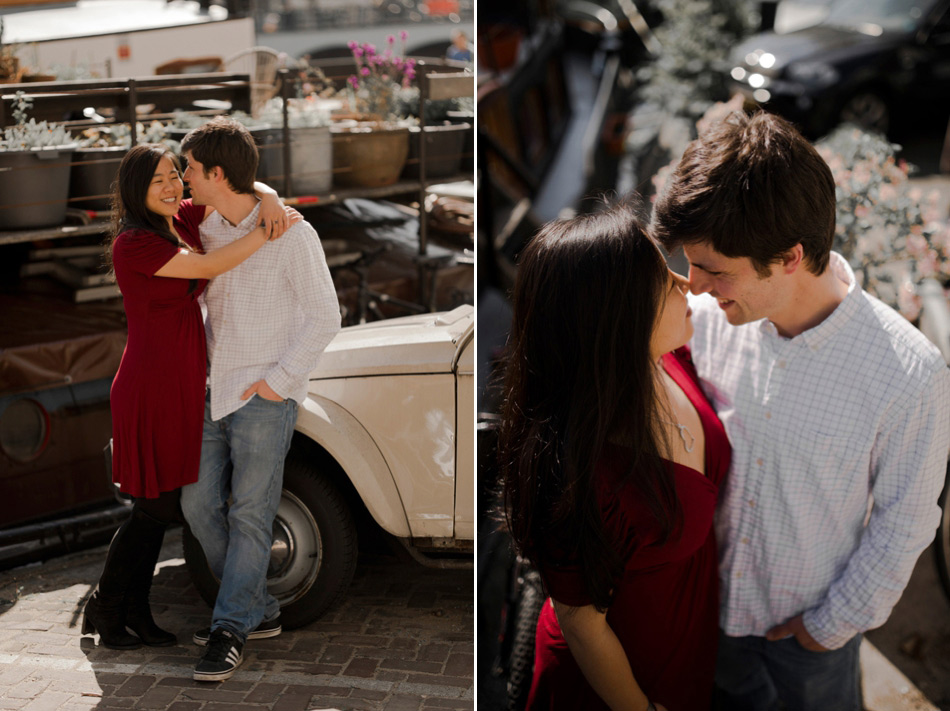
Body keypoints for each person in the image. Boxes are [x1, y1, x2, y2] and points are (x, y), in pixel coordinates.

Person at [650, 110, 950, 710]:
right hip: (708, 617)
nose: (694, 286)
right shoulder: (702, 325)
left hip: (809, 640)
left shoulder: (909, 372)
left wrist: (827, 629)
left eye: (713, 269)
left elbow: (904, 523)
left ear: (789, 256)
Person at [497, 203, 731, 711]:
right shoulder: (577, 472)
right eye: (661, 280)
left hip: (688, 646)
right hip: (619, 686)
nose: (684, 283)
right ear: (617, 317)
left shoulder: (668, 359)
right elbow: (582, 625)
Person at [82, 144, 294, 650]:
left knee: (163, 504)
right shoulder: (134, 244)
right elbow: (214, 264)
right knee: (153, 506)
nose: (173, 185)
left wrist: (266, 195)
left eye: (175, 174)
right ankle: (107, 607)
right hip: (150, 386)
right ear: (135, 189)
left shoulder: (179, 218)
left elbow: (231, 192)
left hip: (182, 384)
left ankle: (133, 609)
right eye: (158, 180)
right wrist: (270, 228)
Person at [177, 117, 341, 682]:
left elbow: (326, 317)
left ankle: (228, 630)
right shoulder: (200, 225)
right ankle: (256, 608)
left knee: (250, 515)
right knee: (198, 506)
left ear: (217, 173)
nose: (184, 178)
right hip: (212, 392)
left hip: (263, 398)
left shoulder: (294, 234)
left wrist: (278, 383)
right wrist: (267, 191)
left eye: (192, 169)